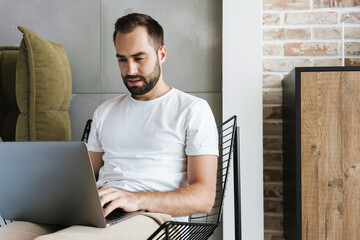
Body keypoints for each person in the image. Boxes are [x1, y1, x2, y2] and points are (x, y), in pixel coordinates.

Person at [0, 13, 218, 239]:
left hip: (156, 218)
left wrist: (134, 199)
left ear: (161, 54)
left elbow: (203, 198)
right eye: (122, 59)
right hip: (99, 210)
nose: (130, 70)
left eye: (139, 58)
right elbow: (84, 177)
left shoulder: (192, 110)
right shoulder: (106, 111)